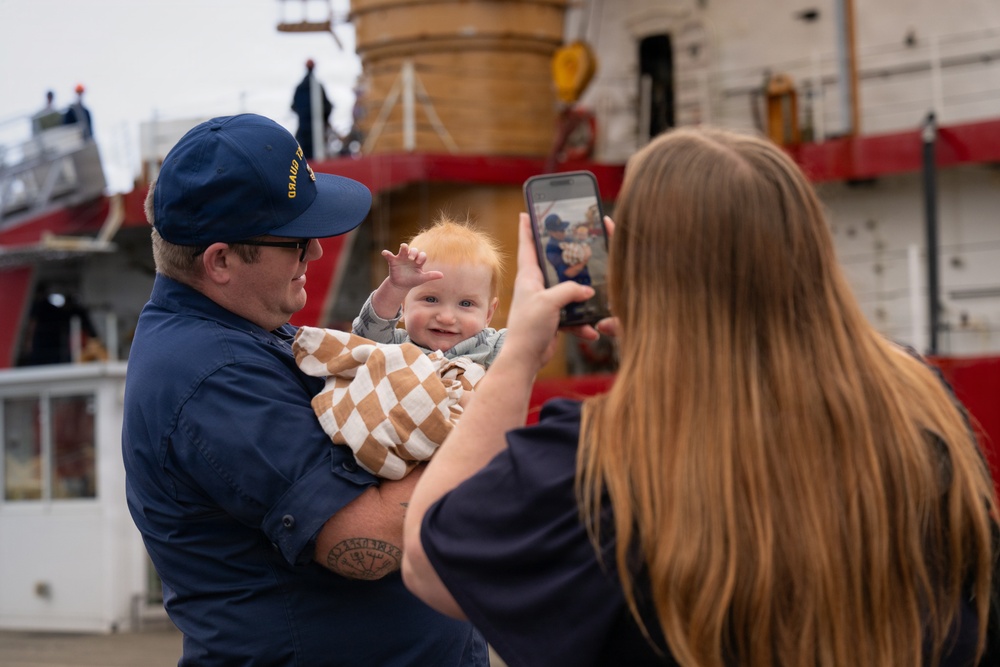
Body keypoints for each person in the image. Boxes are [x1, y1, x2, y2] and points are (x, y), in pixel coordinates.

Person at [400, 127, 1000, 666]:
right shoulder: (920, 398)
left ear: (633, 273)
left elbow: (429, 563)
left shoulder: (592, 463)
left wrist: (520, 354)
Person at [121, 113, 488, 666]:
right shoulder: (214, 377)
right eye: (295, 242)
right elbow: (358, 544)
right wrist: (473, 420)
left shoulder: (245, 334)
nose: (315, 253)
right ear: (220, 261)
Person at [352, 216, 506, 367]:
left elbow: (526, 344)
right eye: (430, 299)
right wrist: (395, 288)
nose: (446, 318)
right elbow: (365, 338)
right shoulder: (394, 346)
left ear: (488, 314)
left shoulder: (491, 346)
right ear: (403, 305)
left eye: (466, 303)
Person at [291, 58, 333, 159]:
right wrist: (325, 120)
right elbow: (328, 107)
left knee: (305, 157)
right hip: (316, 129)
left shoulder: (300, 87)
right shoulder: (318, 86)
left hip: (304, 129)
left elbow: (293, 106)